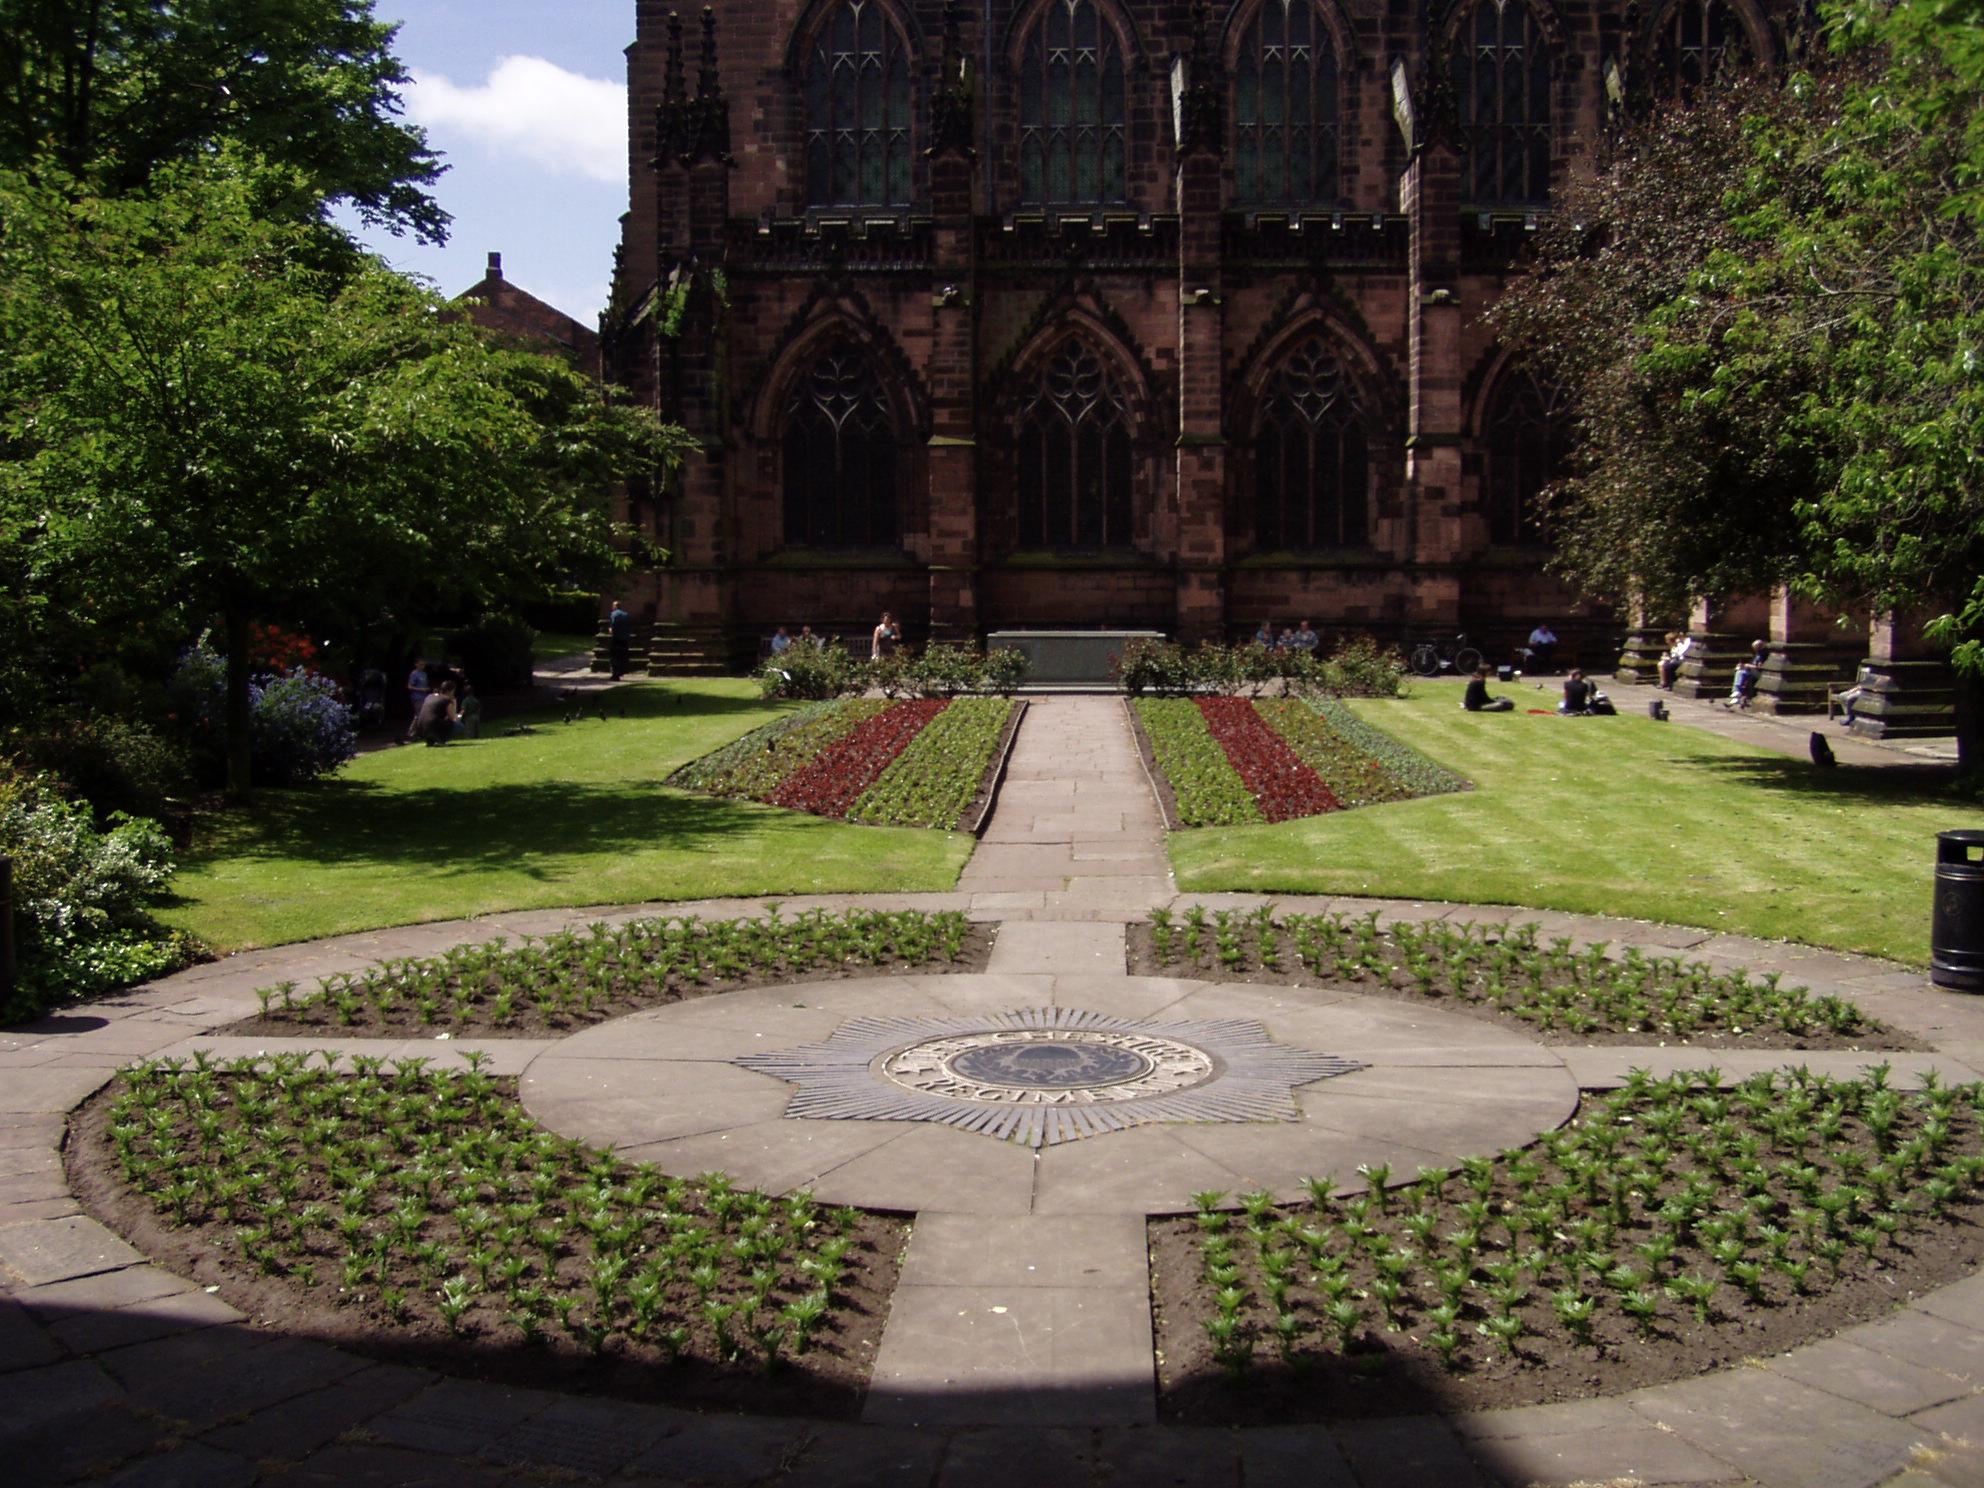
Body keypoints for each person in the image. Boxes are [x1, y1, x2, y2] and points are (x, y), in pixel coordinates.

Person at [413, 680, 458, 745]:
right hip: (434, 726)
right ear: (449, 691)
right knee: (458, 725)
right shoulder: (446, 700)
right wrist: (454, 703)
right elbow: (453, 718)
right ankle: (441, 740)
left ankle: (430, 740)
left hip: (421, 727)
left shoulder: (429, 696)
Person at [1726, 639, 1767, 708]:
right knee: (1740, 671)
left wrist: (1748, 666)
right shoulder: (1757, 654)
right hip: (1753, 671)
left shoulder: (1763, 654)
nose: (1755, 649)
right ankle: (1736, 695)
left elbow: (1759, 667)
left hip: (1760, 673)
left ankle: (1737, 692)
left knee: (1741, 673)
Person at [404, 658, 430, 740]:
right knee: (418, 715)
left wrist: (427, 689)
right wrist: (421, 689)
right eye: (421, 664)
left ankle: (419, 733)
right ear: (416, 664)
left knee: (422, 715)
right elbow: (409, 686)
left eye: (424, 664)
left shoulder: (424, 674)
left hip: (424, 697)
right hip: (417, 697)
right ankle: (411, 733)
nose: (423, 666)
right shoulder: (414, 674)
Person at [608, 599, 632, 681]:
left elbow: (613, 625)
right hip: (625, 639)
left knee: (614, 656)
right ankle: (622, 671)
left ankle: (615, 674)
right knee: (623, 655)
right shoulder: (626, 615)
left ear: (615, 606)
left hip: (616, 638)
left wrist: (611, 630)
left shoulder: (614, 614)